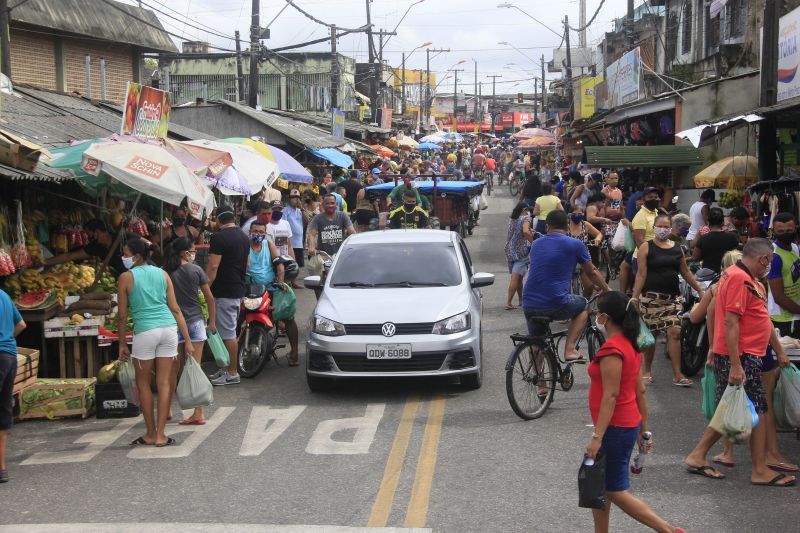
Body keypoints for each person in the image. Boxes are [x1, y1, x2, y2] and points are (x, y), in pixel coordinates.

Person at [684, 238, 795, 487]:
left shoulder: (747, 279)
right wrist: (735, 364)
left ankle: (705, 456)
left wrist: (777, 350)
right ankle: (755, 468)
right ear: (763, 259)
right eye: (768, 261)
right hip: (741, 356)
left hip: (748, 355)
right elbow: (730, 321)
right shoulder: (738, 278)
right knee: (749, 407)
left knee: (750, 408)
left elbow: (760, 319)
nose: (768, 266)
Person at [585, 291, 685, 533]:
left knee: (613, 489)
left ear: (606, 318)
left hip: (613, 429)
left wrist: (596, 438)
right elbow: (640, 391)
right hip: (626, 425)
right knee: (598, 484)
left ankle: (668, 530)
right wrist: (643, 430)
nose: (597, 317)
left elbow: (611, 395)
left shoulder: (612, 350)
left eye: (599, 313)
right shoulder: (632, 346)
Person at [118, 237, 194, 447]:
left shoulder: (126, 277)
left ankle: (150, 433)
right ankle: (161, 435)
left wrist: (122, 343)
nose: (123, 257)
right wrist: (187, 340)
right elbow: (175, 308)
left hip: (145, 332)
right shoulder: (163, 274)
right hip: (169, 329)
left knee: (143, 383)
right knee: (164, 383)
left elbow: (122, 316)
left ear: (137, 256)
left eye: (125, 253)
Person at [523, 210, 609, 361]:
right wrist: (607, 289)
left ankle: (541, 384)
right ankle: (569, 349)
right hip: (554, 302)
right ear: (567, 227)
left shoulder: (536, 244)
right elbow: (593, 272)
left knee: (537, 343)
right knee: (583, 305)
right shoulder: (576, 244)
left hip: (529, 302)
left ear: (547, 226)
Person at [631, 214, 704, 386]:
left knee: (675, 333)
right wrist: (635, 297)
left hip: (673, 299)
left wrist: (699, 289)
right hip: (650, 299)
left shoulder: (677, 248)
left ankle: (677, 374)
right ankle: (647, 370)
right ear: (654, 227)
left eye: (666, 226)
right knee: (652, 336)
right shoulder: (646, 248)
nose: (663, 229)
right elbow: (641, 274)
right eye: (660, 226)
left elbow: (685, 272)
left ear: (671, 228)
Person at [164, 237, 216, 425]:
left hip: (173, 323)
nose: (194, 252)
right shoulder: (196, 270)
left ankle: (167, 408)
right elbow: (210, 298)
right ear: (185, 252)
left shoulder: (166, 272)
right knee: (195, 368)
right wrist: (212, 321)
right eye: (192, 250)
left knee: (171, 370)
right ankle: (198, 413)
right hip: (195, 323)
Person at [206, 205, 250, 386]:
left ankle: (232, 372)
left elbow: (213, 266)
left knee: (228, 333)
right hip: (236, 288)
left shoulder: (218, 238)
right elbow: (246, 264)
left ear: (219, 220)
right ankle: (225, 369)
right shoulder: (243, 236)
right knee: (225, 331)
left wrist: (205, 287)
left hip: (225, 291)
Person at [247, 221, 300, 365]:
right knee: (240, 316)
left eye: (261, 232)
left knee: (289, 317)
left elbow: (279, 264)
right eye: (255, 231)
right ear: (250, 231)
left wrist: (281, 282)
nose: (257, 234)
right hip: (250, 289)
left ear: (265, 234)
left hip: (270, 287)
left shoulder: (268, 244)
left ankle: (294, 352)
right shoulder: (245, 246)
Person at [0, 288, 25, 483]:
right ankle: (1, 468)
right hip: (9, 356)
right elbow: (21, 324)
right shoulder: (4, 295)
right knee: (3, 411)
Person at [45, 218, 127, 277]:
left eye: (89, 235)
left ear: (97, 232)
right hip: (123, 277)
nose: (88, 238)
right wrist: (45, 262)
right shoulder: (95, 246)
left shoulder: (124, 238)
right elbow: (70, 256)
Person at [768, 212, 800, 338]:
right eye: (780, 231)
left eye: (789, 230)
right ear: (773, 231)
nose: (785, 234)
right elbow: (779, 297)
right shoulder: (774, 256)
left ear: (796, 228)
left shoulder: (794, 247)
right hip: (783, 319)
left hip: (795, 313)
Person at [567, 205, 603, 297]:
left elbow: (598, 234)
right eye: (574, 214)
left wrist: (598, 239)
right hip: (567, 257)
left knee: (589, 286)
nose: (577, 215)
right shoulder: (564, 226)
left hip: (583, 258)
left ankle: (585, 304)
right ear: (569, 214)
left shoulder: (585, 224)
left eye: (579, 213)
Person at [504, 203, 533, 310]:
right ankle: (509, 302)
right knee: (515, 277)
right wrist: (533, 242)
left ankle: (521, 300)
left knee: (519, 277)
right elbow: (525, 231)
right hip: (521, 252)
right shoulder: (526, 218)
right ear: (524, 210)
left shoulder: (512, 219)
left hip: (510, 250)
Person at [692, 207, 739, 272]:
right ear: (722, 222)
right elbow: (736, 255)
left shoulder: (703, 238)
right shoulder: (732, 237)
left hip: (708, 274)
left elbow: (695, 257)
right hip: (727, 272)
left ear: (708, 222)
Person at [284, 189, 307, 288]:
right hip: (290, 242)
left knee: (297, 263)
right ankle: (288, 282)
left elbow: (307, 221)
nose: (295, 200)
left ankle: (293, 282)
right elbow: (283, 224)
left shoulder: (300, 211)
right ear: (289, 199)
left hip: (299, 241)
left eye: (297, 197)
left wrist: (302, 208)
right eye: (293, 198)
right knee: (290, 262)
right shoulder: (285, 210)